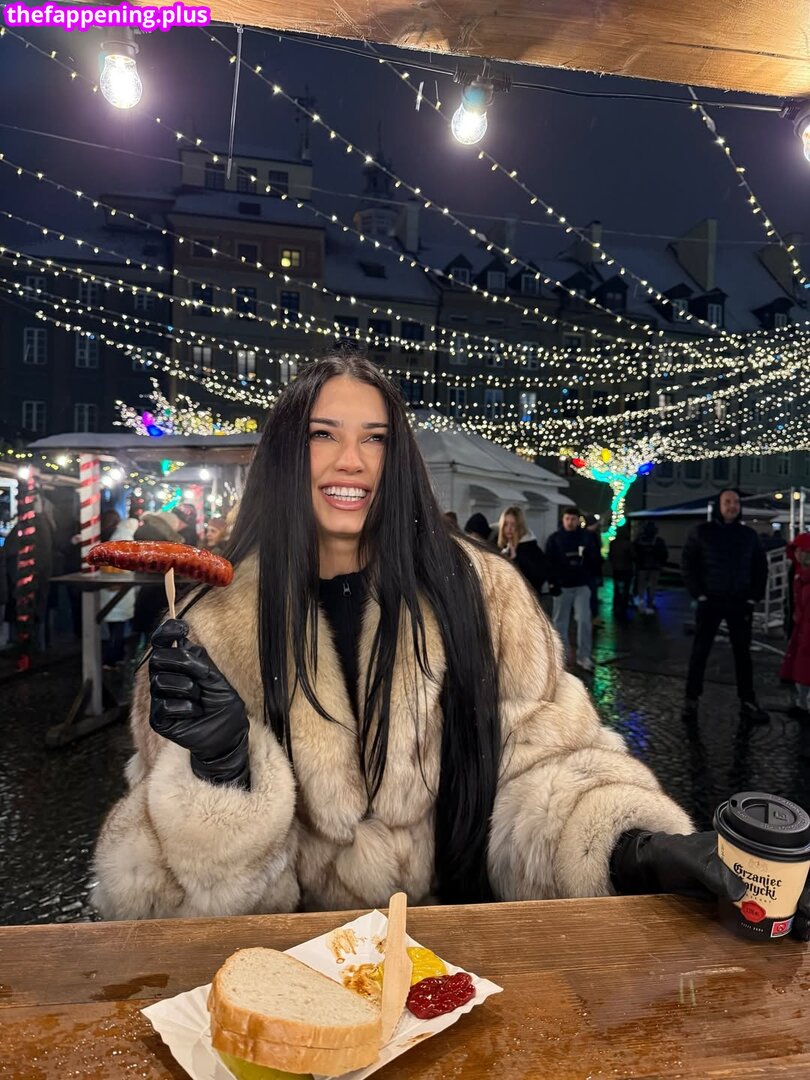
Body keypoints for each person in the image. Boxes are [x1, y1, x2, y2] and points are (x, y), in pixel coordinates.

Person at [91, 354, 802, 938]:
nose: (352, 461)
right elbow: (154, 895)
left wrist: (633, 848)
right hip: (293, 969)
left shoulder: (482, 594)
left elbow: (545, 766)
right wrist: (221, 774)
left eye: (375, 438)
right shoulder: (209, 626)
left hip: (458, 961)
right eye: (323, 435)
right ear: (284, 454)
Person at [681, 489, 769, 724]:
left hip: (740, 602)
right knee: (700, 651)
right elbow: (688, 563)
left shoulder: (748, 535)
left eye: (736, 502)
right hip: (710, 600)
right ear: (719, 505)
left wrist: (753, 596)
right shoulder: (702, 532)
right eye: (727, 502)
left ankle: (747, 700)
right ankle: (691, 700)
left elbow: (760, 566)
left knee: (743, 654)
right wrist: (699, 594)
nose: (732, 506)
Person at [545, 506, 601, 672]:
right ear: (563, 520)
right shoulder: (555, 539)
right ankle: (562, 656)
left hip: (581, 584)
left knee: (584, 620)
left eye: (573, 519)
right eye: (567, 519)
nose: (570, 522)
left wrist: (589, 572)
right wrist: (553, 583)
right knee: (560, 622)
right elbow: (549, 562)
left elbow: (595, 558)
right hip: (562, 585)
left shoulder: (586, 537)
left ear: (578, 520)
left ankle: (584, 656)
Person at [99, 513, 140, 668]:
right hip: (120, 590)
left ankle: (114, 656)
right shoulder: (127, 540)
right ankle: (114, 657)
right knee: (118, 628)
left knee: (114, 627)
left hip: (113, 590)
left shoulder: (115, 537)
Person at [780, 532, 810, 719]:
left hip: (805, 628)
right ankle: (802, 704)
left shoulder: (802, 575)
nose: (799, 554)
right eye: (796, 550)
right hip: (801, 628)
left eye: (802, 551)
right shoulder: (797, 572)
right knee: (800, 666)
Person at [497, 505, 547, 600]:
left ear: (519, 526)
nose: (509, 528)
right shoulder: (504, 547)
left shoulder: (530, 548)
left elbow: (536, 578)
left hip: (526, 600)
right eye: (506, 524)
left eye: (513, 524)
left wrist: (516, 560)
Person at [634, 522, 668, 614]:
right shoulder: (659, 541)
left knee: (641, 586)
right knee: (652, 586)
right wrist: (661, 563)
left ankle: (641, 603)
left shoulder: (639, 541)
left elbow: (634, 553)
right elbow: (664, 554)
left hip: (642, 567)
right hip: (655, 567)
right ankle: (650, 603)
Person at [608, 523, 635, 621]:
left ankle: (616, 607)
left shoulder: (613, 543)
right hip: (626, 569)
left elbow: (610, 556)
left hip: (616, 569)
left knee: (617, 589)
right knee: (625, 590)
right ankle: (623, 608)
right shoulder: (628, 544)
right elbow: (633, 556)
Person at [584, 516, 604, 627]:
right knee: (592, 595)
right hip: (591, 570)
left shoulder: (586, 535)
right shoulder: (591, 536)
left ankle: (593, 617)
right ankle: (593, 617)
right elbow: (594, 554)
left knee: (591, 595)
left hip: (590, 570)